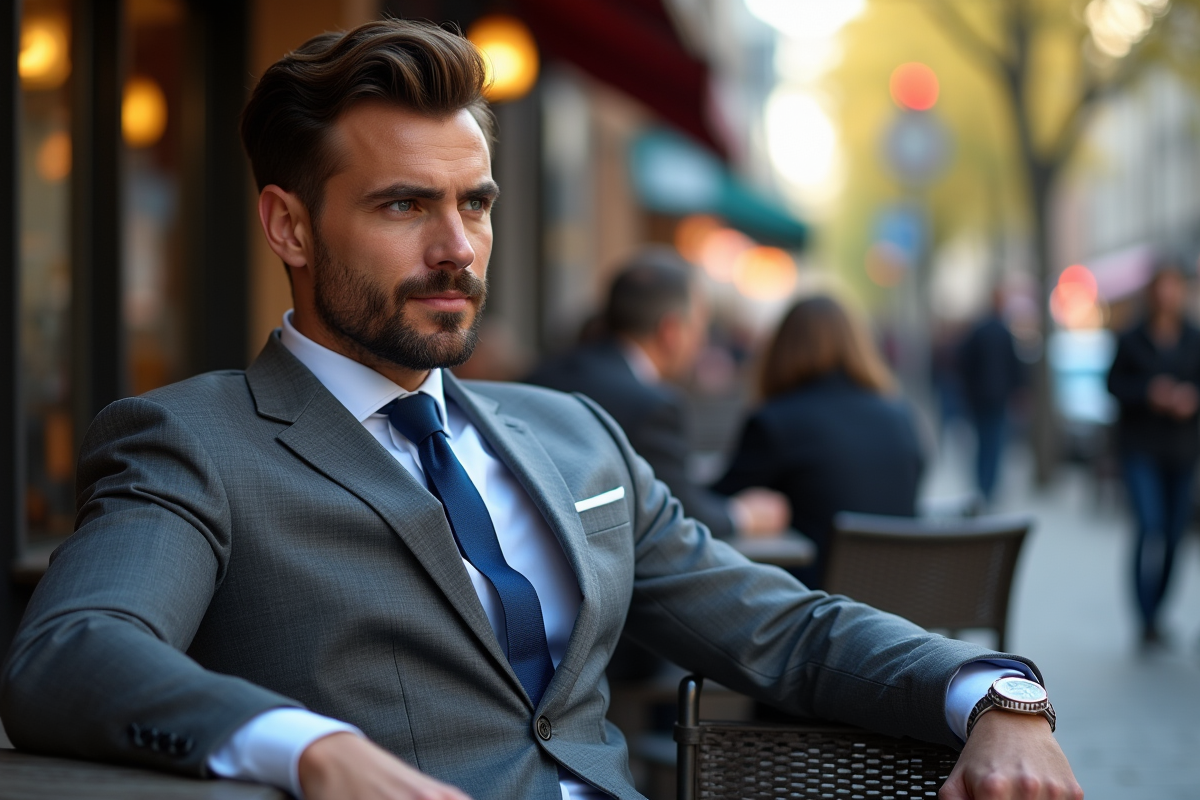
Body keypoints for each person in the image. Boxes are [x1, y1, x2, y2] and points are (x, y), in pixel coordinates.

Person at [0, 20, 1080, 800]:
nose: (456, 247)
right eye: (403, 205)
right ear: (289, 226)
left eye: (473, 202)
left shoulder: (572, 434)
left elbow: (785, 629)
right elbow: (72, 649)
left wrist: (993, 691)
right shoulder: (197, 441)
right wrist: (305, 746)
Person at [526, 250, 789, 541]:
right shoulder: (652, 408)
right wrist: (744, 514)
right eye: (699, 327)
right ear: (671, 331)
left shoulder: (536, 376)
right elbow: (682, 518)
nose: (701, 342)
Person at [714, 295, 924, 588]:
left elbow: (717, 508)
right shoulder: (901, 417)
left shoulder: (776, 421)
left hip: (812, 613)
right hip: (901, 613)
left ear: (780, 349)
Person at [1106, 257, 1200, 648]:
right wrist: (1149, 393)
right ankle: (1143, 617)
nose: (1168, 293)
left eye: (1174, 286)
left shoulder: (1193, 337)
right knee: (1150, 526)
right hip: (1141, 447)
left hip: (1181, 449)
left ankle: (1157, 612)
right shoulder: (1132, 337)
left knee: (1176, 534)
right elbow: (1112, 385)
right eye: (1162, 285)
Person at [958, 289, 1025, 504]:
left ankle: (982, 486)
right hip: (997, 397)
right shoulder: (1003, 332)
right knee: (994, 443)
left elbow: (964, 363)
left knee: (984, 442)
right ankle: (988, 487)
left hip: (981, 397)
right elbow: (1014, 365)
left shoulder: (979, 330)